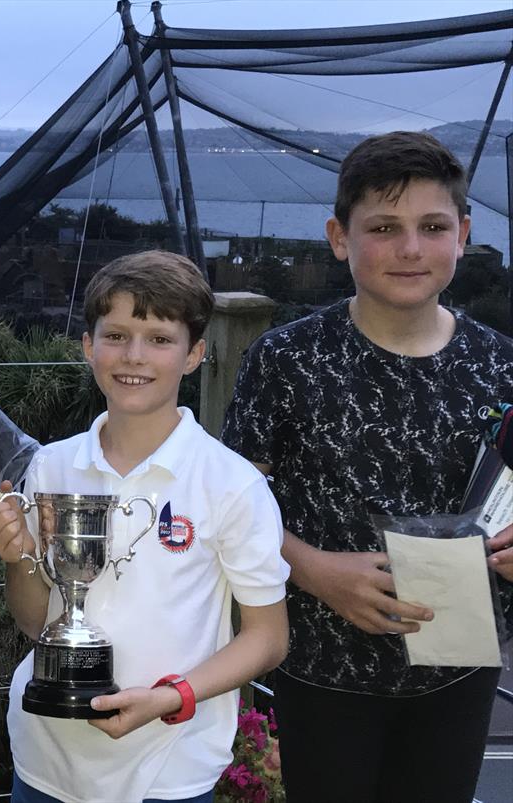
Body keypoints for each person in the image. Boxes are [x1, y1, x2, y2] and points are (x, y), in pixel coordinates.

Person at [221, 131, 513, 803]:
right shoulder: (286, 360)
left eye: (432, 226)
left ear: (463, 233)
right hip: (322, 670)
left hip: (460, 671)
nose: (411, 248)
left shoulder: (502, 365)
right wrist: (312, 568)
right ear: (339, 236)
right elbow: (229, 505)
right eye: (384, 227)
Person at [0, 250, 290, 803]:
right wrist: (15, 557)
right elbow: (37, 621)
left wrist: (172, 696)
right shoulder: (50, 466)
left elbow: (268, 638)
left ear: (195, 353)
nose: (134, 356)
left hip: (169, 769)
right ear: (87, 345)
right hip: (48, 761)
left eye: (159, 339)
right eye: (117, 335)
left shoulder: (231, 483)